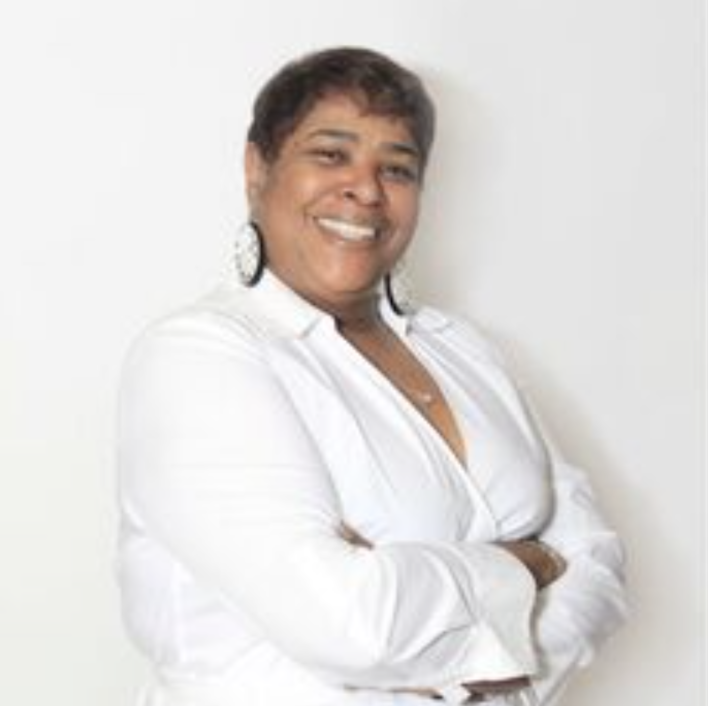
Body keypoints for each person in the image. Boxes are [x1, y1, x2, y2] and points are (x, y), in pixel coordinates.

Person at [117, 47, 627, 706]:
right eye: (331, 154)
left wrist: (483, 665)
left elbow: (598, 561)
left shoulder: (462, 349)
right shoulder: (198, 356)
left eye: (397, 168)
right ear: (257, 168)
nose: (365, 189)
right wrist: (530, 563)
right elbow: (353, 628)